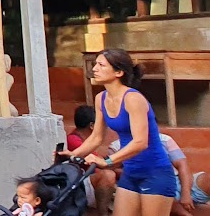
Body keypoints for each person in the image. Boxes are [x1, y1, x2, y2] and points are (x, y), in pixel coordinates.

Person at [69, 49, 177, 216]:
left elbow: (140, 142)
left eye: (101, 65)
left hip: (156, 173)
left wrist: (107, 161)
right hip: (131, 174)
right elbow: (96, 137)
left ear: (118, 72)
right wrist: (71, 155)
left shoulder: (133, 99)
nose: (94, 69)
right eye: (95, 64)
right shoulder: (101, 98)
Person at [104, 133, 206, 216]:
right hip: (145, 186)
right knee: (157, 185)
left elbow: (182, 165)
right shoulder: (117, 145)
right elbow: (112, 168)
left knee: (206, 179)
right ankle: (184, 214)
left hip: (177, 180)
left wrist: (186, 193)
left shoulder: (165, 139)